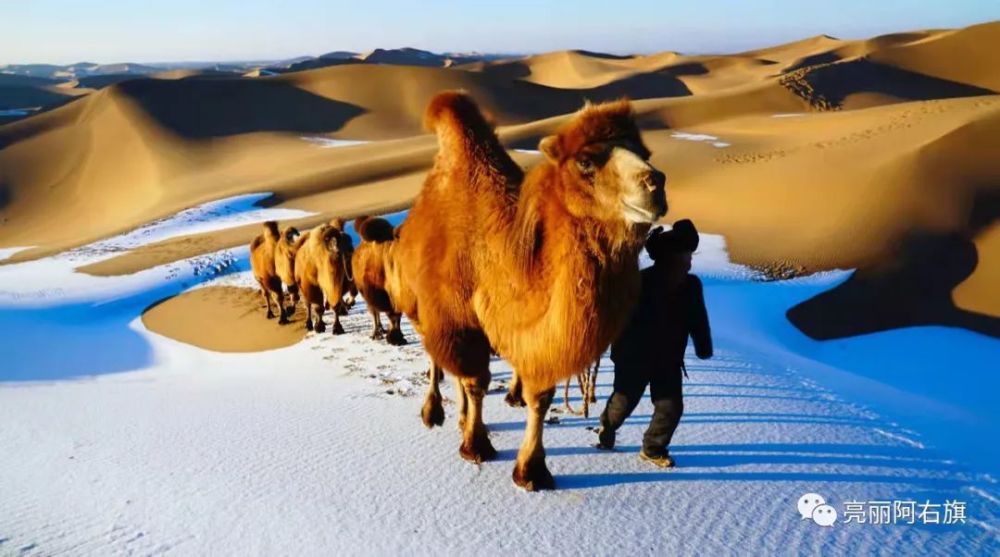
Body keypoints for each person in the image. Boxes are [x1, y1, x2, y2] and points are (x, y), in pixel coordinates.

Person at [596, 219, 713, 467]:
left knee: (671, 407)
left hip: (668, 361)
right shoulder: (639, 282)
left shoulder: (691, 286)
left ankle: (653, 448)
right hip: (633, 360)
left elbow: (698, 318)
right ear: (670, 258)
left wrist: (704, 347)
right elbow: (617, 316)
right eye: (685, 256)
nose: (689, 261)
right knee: (623, 403)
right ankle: (607, 425)